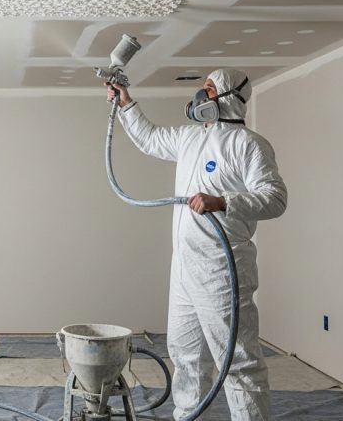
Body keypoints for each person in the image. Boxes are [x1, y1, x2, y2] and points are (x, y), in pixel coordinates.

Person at [106, 68, 287, 421]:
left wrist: (223, 201)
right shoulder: (191, 138)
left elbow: (275, 198)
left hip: (223, 270)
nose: (200, 97)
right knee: (185, 355)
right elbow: (150, 138)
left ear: (227, 97)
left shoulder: (248, 144)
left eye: (208, 89)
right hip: (185, 270)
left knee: (237, 362)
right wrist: (125, 103)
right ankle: (189, 417)